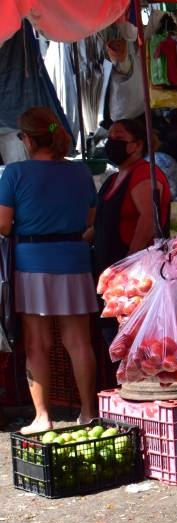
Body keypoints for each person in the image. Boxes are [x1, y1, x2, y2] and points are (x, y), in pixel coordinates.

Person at [0, 107, 99, 433]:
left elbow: (3, 225)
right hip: (74, 260)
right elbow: (89, 220)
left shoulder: (14, 173)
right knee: (79, 342)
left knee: (37, 343)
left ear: (27, 138)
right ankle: (88, 413)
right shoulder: (80, 172)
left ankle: (43, 418)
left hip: (32, 263)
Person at [90, 118, 171, 278]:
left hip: (137, 271)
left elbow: (148, 220)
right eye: (110, 138)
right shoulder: (113, 179)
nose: (111, 142)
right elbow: (103, 222)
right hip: (109, 266)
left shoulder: (144, 174)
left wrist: (129, 262)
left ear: (138, 145)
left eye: (119, 138)